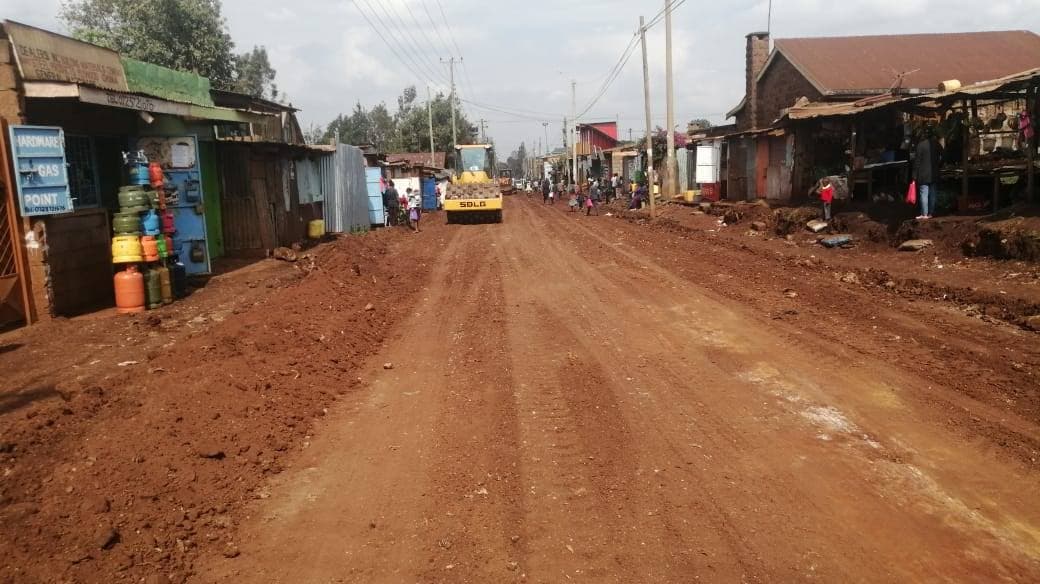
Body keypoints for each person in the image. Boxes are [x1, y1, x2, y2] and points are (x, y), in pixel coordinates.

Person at [914, 130, 942, 220]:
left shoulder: (920, 145)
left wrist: (914, 175)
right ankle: (931, 213)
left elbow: (917, 162)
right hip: (934, 173)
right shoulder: (937, 144)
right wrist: (939, 165)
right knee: (933, 194)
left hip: (923, 174)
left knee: (924, 194)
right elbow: (944, 155)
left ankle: (924, 214)